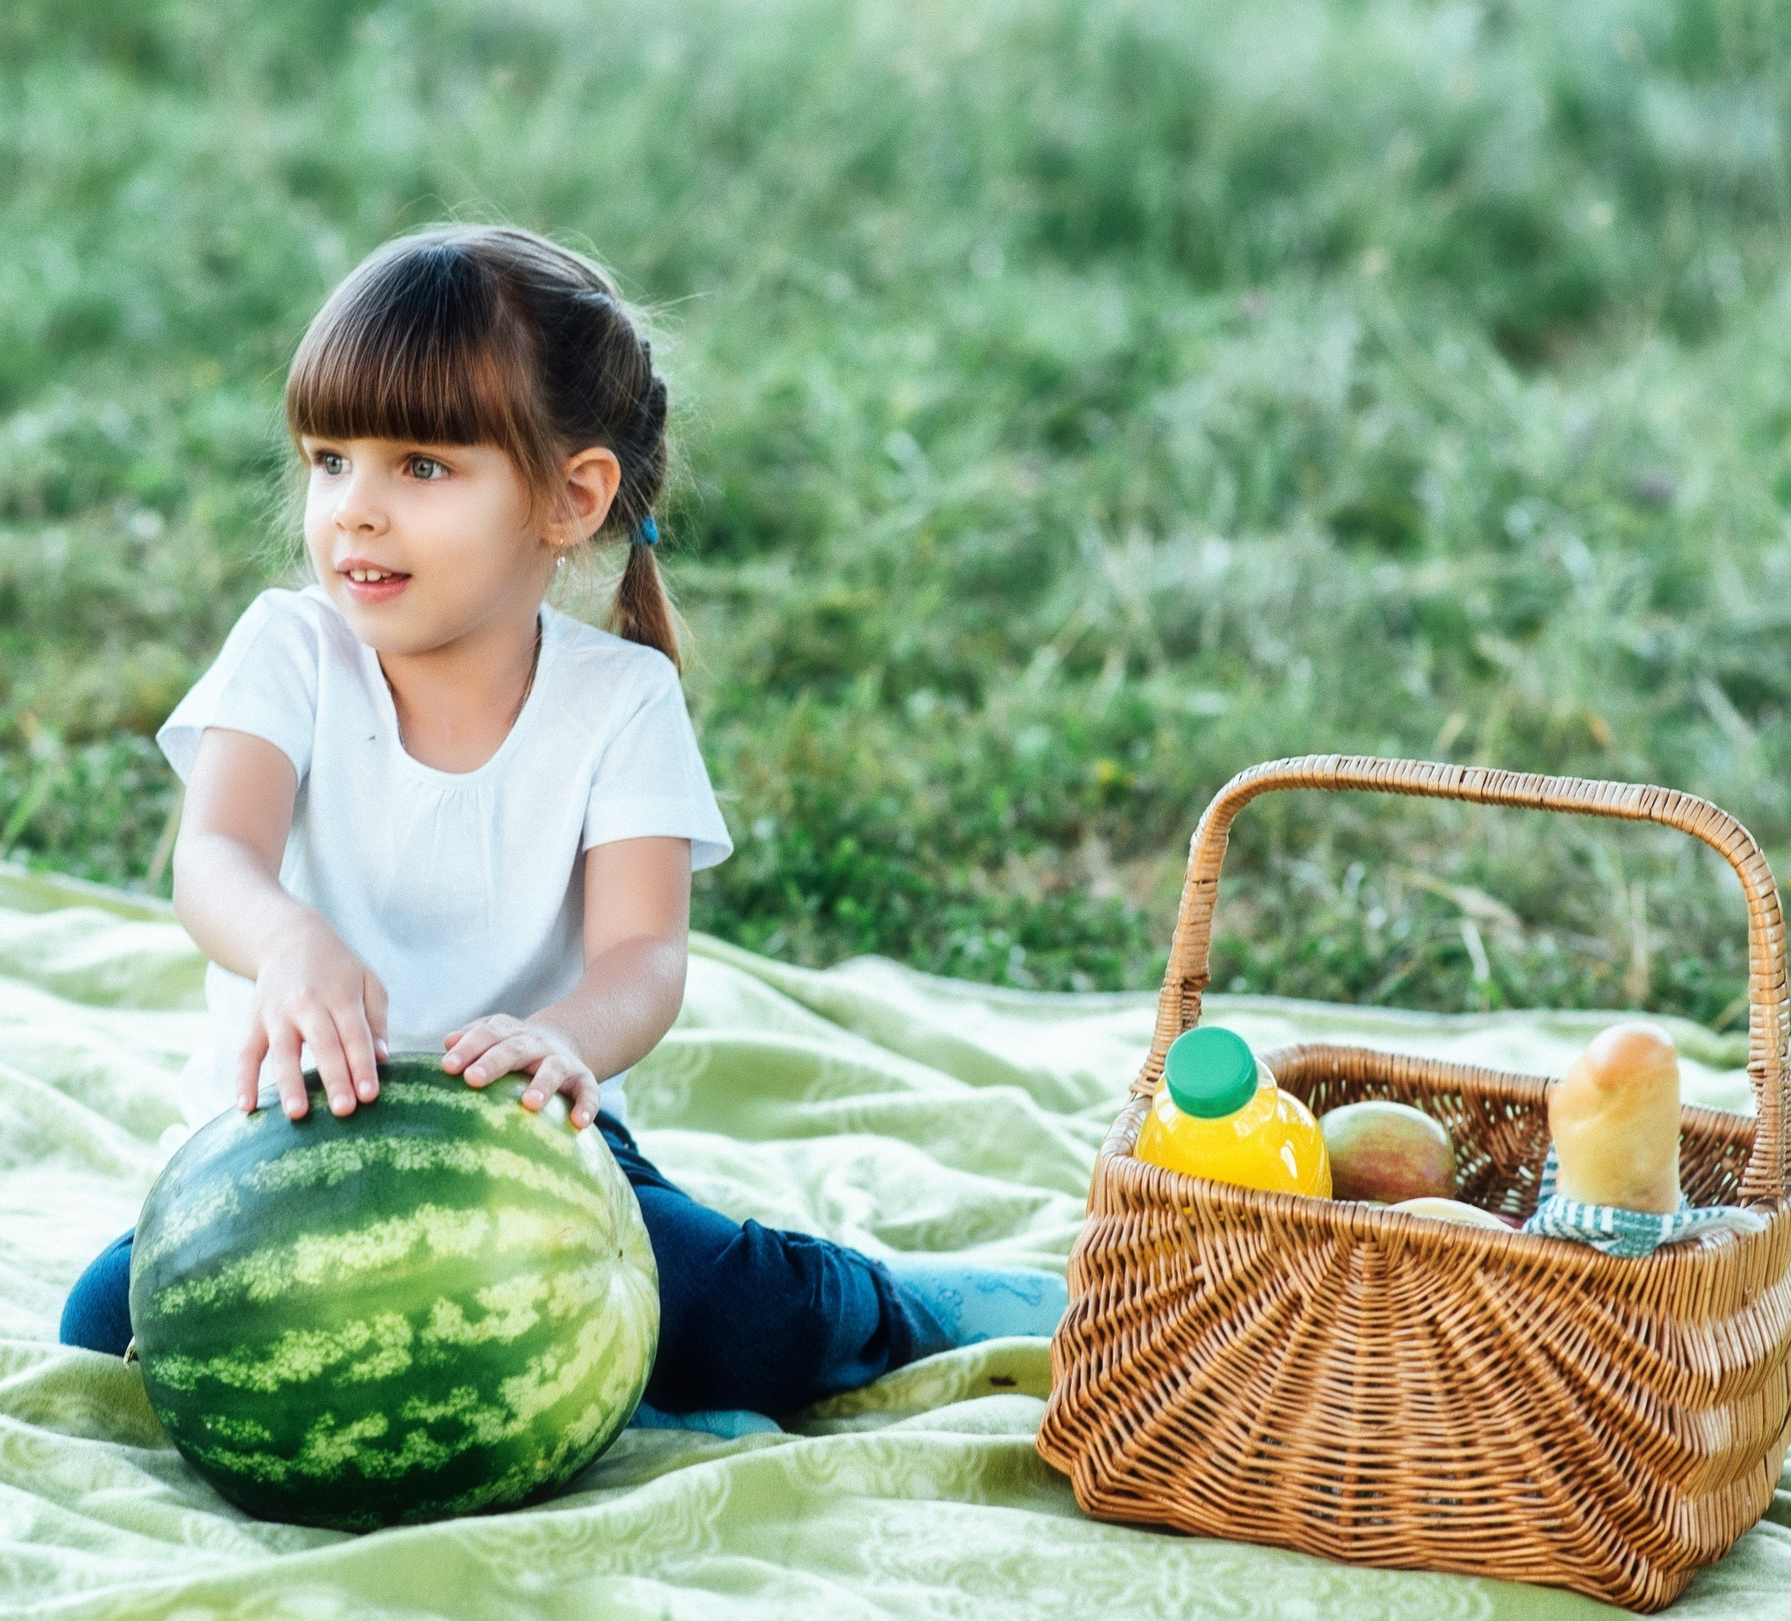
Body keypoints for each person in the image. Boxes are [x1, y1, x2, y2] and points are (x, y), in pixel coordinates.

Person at [58, 223, 1064, 1435]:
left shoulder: (617, 700)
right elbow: (214, 856)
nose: (354, 513)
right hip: (290, 1140)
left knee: (747, 1325)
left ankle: (888, 1306)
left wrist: (558, 1041)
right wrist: (287, 944)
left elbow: (643, 955)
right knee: (103, 1326)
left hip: (539, 1145)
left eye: (421, 466)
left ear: (570, 497)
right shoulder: (290, 650)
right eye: (331, 459)